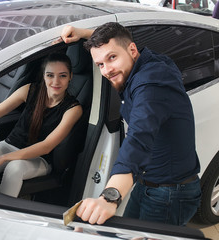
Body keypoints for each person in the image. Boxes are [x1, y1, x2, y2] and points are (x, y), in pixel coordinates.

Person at [58, 22, 201, 226]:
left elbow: (138, 139)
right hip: (145, 182)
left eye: (112, 58)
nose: (107, 70)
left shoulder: (151, 85)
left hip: (170, 194)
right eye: (100, 64)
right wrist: (83, 33)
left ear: (132, 50)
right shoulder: (143, 59)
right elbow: (119, 42)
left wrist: (110, 197)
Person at [0, 53, 83, 198]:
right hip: (9, 145)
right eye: (50, 75)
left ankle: (1, 214)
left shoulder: (73, 109)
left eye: (62, 75)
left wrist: (4, 158)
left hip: (39, 158)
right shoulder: (29, 90)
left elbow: (46, 146)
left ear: (70, 76)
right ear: (44, 76)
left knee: (15, 167)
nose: (56, 81)